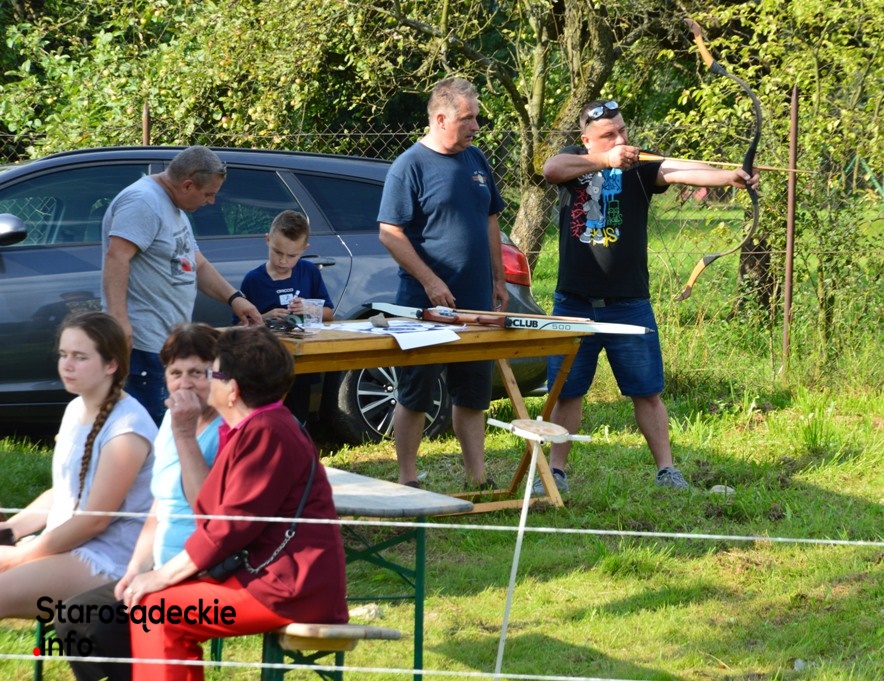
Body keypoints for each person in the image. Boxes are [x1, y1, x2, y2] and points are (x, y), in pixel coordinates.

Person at [540, 99, 758, 493]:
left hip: (628, 303)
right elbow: (550, 169)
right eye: (609, 134)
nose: (621, 139)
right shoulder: (574, 160)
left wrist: (730, 177)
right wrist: (606, 160)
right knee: (566, 392)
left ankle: (667, 471)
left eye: (623, 130)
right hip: (574, 302)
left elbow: (679, 169)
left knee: (647, 392)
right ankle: (556, 472)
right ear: (586, 140)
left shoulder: (639, 164)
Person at [121, 325, 347, 681]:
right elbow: (211, 512)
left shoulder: (267, 432)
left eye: (212, 373)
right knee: (154, 605)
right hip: (264, 579)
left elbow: (227, 529)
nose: (201, 381)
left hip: (287, 589)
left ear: (233, 390)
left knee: (157, 610)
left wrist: (161, 575)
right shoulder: (253, 428)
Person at [55, 323, 223, 681]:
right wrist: (135, 570)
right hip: (157, 566)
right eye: (175, 373)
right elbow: (158, 508)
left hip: (204, 571)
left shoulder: (223, 429)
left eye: (197, 373)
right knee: (73, 616)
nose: (184, 384)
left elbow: (206, 508)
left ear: (219, 374)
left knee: (110, 624)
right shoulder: (172, 423)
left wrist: (184, 433)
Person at [377, 77, 509, 490]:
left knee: (473, 393)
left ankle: (477, 478)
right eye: (468, 119)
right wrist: (431, 281)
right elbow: (389, 233)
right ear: (440, 119)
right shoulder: (409, 166)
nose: (476, 127)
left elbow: (491, 219)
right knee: (415, 393)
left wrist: (498, 278)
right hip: (424, 304)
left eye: (476, 118)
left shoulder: (476, 159)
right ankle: (408, 479)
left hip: (476, 302)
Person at [0, 311, 156, 618]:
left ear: (111, 365)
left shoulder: (127, 428)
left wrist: (19, 557)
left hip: (109, 559)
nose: (67, 365)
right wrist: (9, 530)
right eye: (63, 354)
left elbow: (94, 521)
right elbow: (63, 493)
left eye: (80, 357)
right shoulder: (75, 408)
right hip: (67, 543)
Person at [102, 145, 262, 425]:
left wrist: (235, 298)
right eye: (208, 194)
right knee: (149, 430)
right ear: (187, 184)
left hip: (168, 343)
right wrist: (119, 322)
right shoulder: (143, 202)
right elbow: (116, 258)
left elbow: (197, 264)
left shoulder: (173, 207)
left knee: (171, 428)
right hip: (143, 343)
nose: (211, 201)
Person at [239, 209, 335, 424]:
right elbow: (238, 326)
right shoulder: (253, 280)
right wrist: (264, 318)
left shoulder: (309, 272)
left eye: (292, 256)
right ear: (267, 240)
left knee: (298, 420)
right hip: (266, 366)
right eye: (277, 252)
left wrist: (309, 308)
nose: (283, 261)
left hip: (302, 363)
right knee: (267, 421)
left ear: (304, 249)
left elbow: (329, 314)